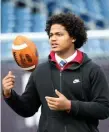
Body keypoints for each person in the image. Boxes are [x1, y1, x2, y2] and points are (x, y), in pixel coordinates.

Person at [2, 13, 109, 132]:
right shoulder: (40, 71)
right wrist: (9, 94)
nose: (53, 38)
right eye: (51, 35)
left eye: (59, 34)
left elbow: (104, 108)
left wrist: (69, 105)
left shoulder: (92, 70)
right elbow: (27, 109)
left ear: (73, 37)